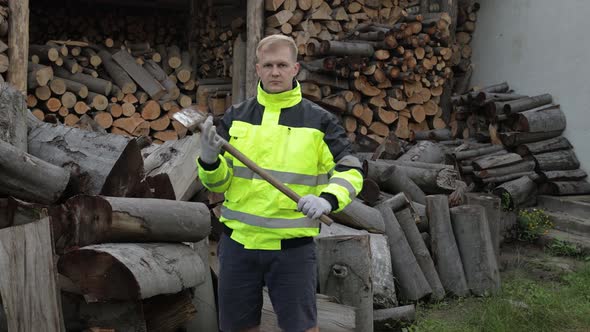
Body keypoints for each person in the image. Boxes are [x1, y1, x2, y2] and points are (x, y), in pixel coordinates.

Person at [197, 34, 363, 332]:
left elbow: (351, 169)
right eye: (268, 65)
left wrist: (328, 199)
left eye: (282, 65)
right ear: (257, 69)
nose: (275, 72)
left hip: (292, 251)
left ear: (295, 69)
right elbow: (220, 182)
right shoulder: (236, 117)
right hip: (238, 245)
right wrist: (209, 161)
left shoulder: (319, 121)